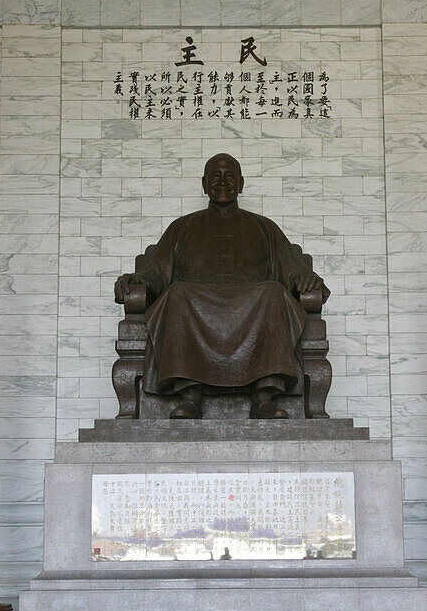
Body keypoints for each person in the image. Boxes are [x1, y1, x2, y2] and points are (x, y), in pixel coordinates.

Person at [114, 154, 328, 419]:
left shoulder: (264, 227)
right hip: (195, 303)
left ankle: (264, 396)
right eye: (215, 176)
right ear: (204, 184)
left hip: (254, 303)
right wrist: (138, 280)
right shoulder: (182, 227)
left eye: (230, 176)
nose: (223, 182)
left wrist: (306, 279)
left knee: (274, 292)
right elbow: (157, 270)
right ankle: (190, 394)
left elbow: (292, 269)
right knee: (177, 293)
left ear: (241, 184)